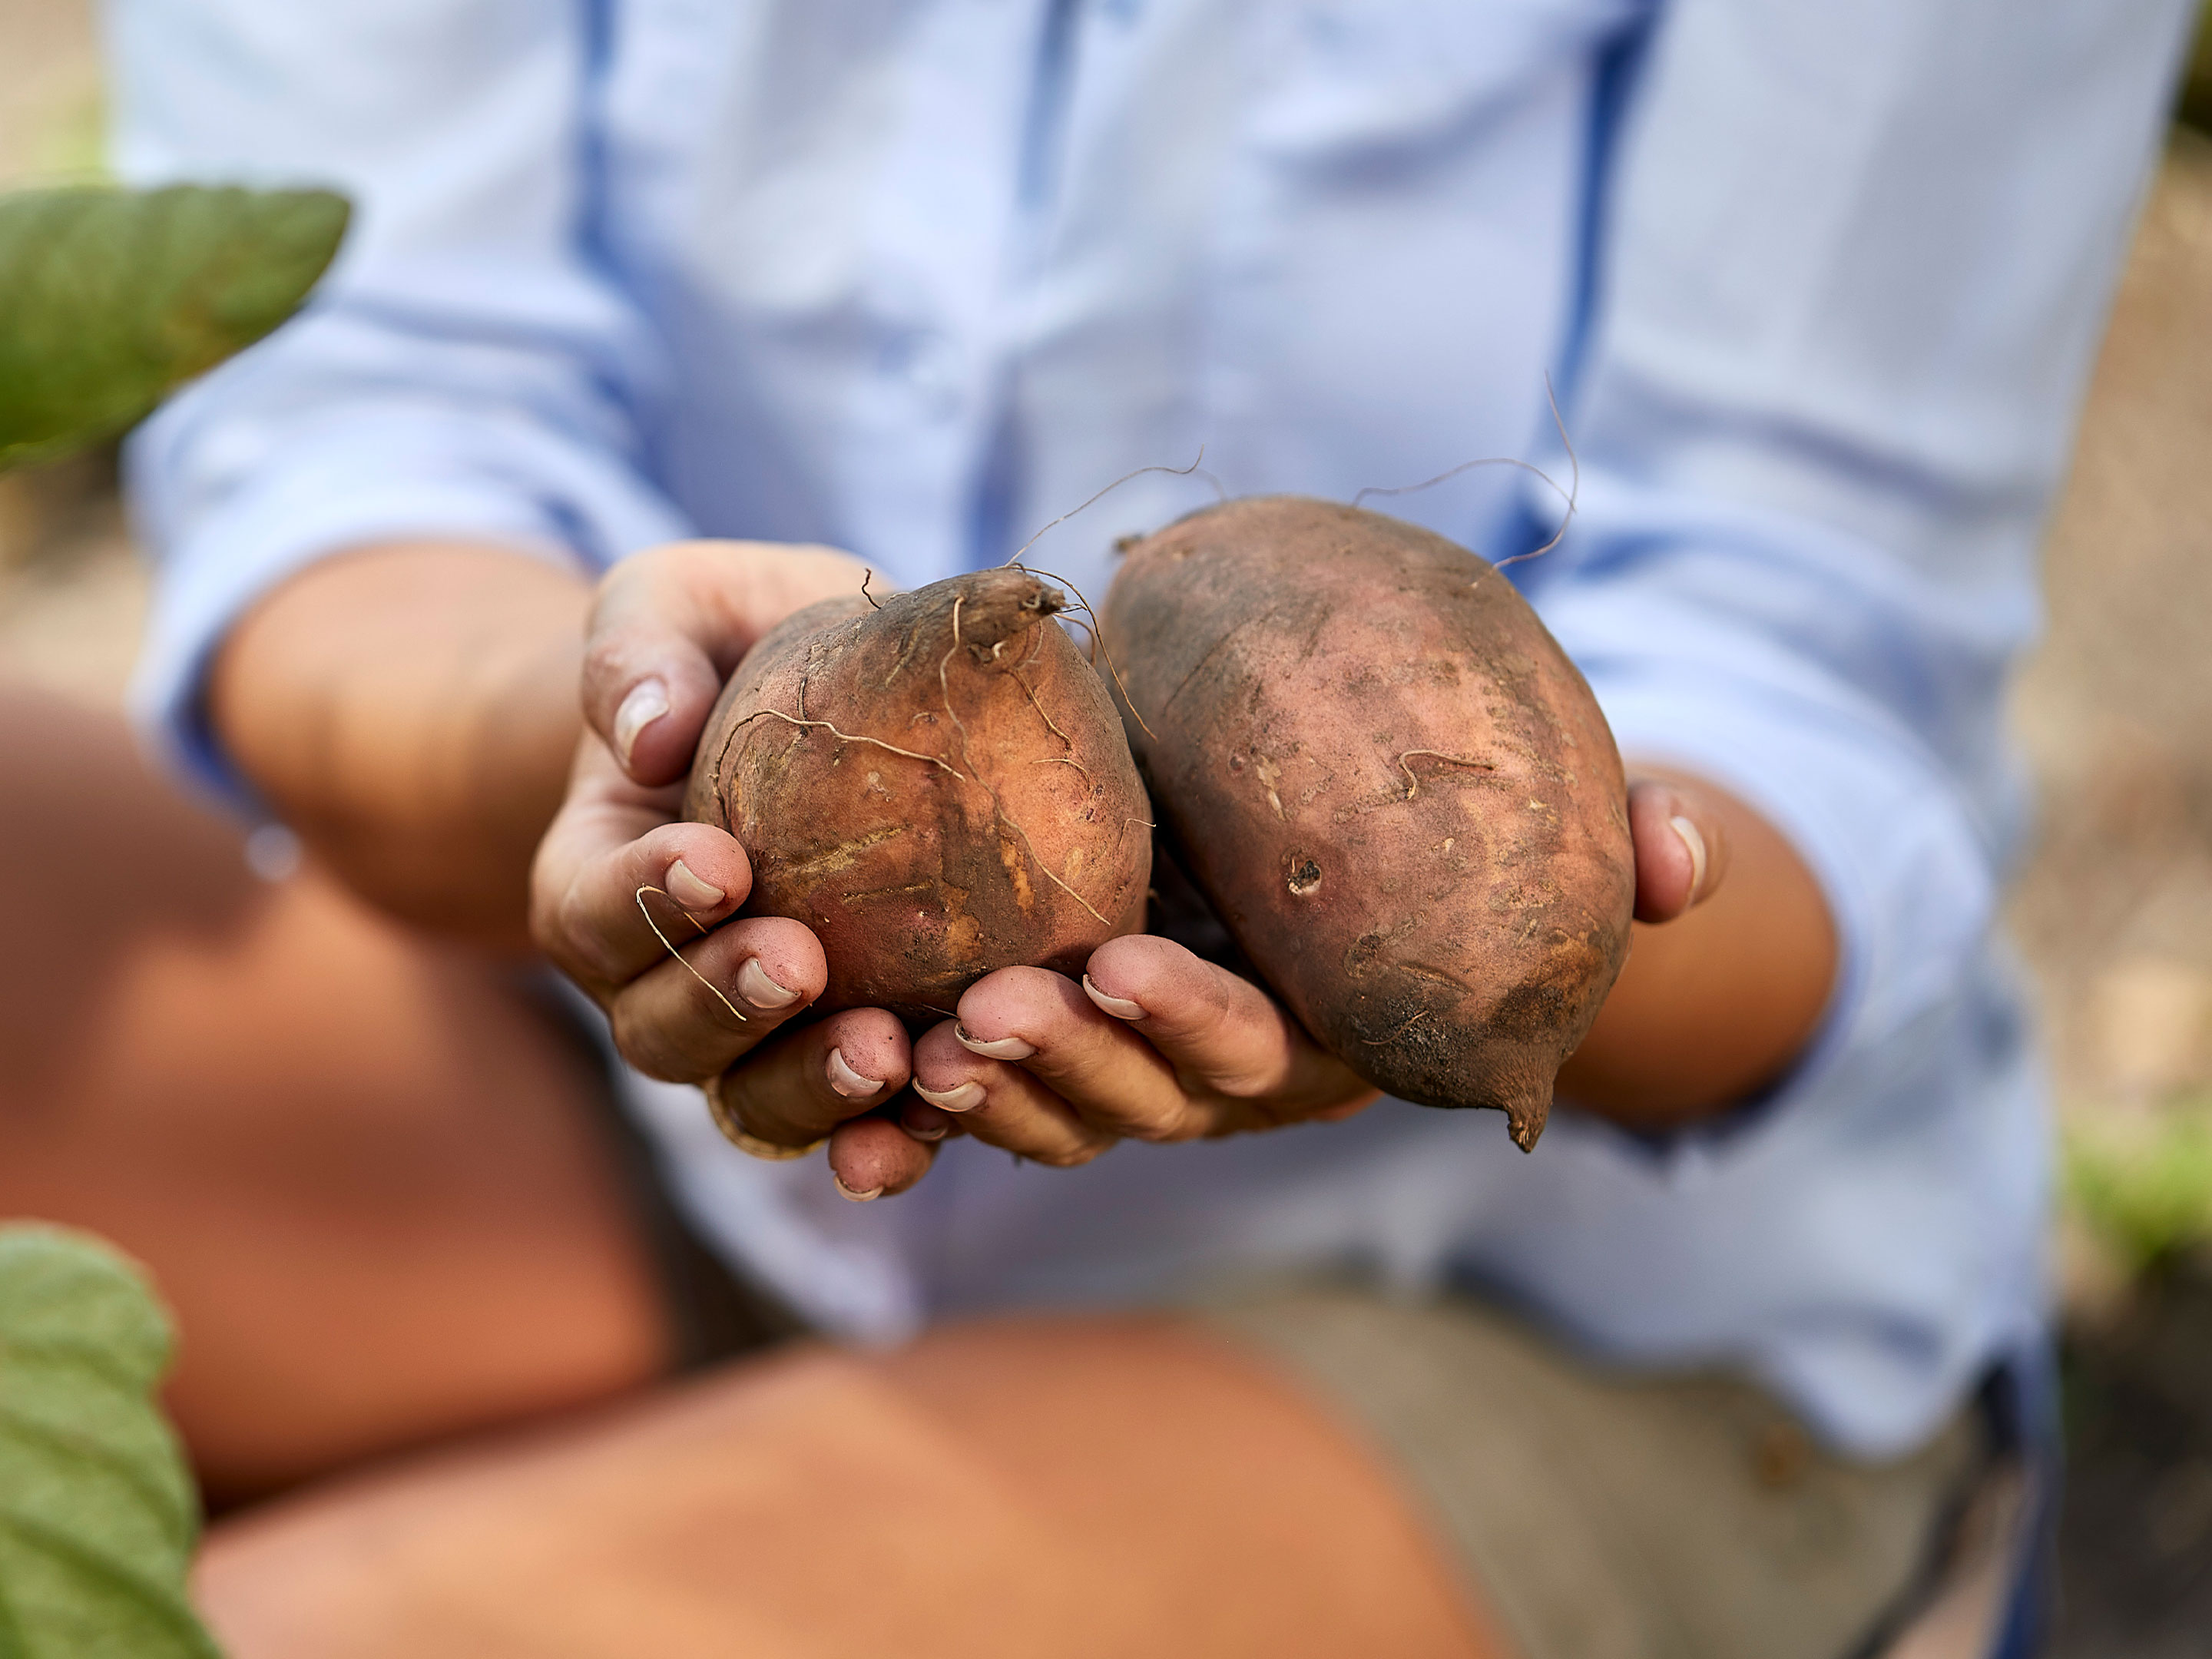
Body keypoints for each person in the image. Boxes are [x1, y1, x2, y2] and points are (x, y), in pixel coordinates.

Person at [12, 0, 2185, 1652]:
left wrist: (1501, 941)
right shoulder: (786, 765)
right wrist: (635, 748)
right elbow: (364, 437)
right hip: (661, 1106)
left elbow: (1810, 657)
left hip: (1540, 1306)